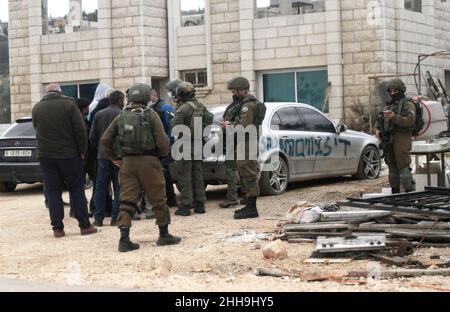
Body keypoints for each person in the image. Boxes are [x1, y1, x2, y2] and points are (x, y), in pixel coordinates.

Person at [100, 83, 181, 252]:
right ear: (146, 98)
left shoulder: (121, 116)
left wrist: (115, 158)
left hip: (127, 164)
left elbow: (105, 140)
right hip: (150, 162)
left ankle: (124, 239)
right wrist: (161, 157)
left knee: (127, 199)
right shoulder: (151, 115)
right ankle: (164, 234)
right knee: (158, 199)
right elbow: (163, 141)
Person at [32, 83, 98, 238]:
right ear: (60, 92)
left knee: (53, 192)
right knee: (76, 189)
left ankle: (58, 229)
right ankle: (84, 226)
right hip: (69, 155)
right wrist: (83, 151)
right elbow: (80, 129)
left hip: (46, 156)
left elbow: (36, 127)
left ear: (46, 93)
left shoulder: (37, 107)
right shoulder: (69, 104)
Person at [225, 77, 266, 219]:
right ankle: (249, 205)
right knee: (245, 171)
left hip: (247, 142)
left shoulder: (247, 106)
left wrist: (229, 126)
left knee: (249, 173)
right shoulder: (248, 103)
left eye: (234, 92)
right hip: (246, 142)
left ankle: (252, 208)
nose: (233, 94)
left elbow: (244, 125)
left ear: (242, 91)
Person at [89, 91, 125, 226]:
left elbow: (92, 137)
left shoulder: (99, 114)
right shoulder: (122, 114)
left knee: (100, 188)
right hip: (118, 158)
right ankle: (115, 218)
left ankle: (98, 219)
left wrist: (100, 148)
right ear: (120, 100)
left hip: (102, 156)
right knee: (119, 187)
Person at [171, 82, 207, 217]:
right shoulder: (201, 106)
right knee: (198, 174)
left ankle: (186, 205)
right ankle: (200, 204)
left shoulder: (182, 109)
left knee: (184, 175)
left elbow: (175, 128)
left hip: (185, 144)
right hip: (199, 143)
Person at [375, 78, 416, 194]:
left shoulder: (408, 104)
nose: (393, 93)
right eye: (390, 91)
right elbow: (380, 119)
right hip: (388, 137)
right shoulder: (389, 104)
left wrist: (394, 117)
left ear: (401, 90)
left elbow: (410, 121)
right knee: (391, 166)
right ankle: (395, 192)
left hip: (402, 136)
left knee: (403, 165)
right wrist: (377, 129)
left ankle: (409, 192)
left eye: (395, 91)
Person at [149, 89, 178, 208]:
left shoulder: (165, 108)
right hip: (154, 147)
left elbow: (172, 126)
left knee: (165, 173)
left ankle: (170, 199)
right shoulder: (150, 109)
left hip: (163, 146)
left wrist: (169, 143)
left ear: (154, 96)